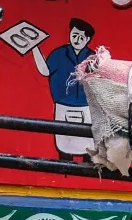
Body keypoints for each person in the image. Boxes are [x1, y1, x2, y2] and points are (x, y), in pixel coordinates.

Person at [30, 17, 97, 161]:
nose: (77, 40)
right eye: (74, 35)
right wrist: (34, 48)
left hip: (87, 107)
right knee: (64, 145)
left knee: (88, 146)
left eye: (81, 37)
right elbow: (45, 70)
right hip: (62, 106)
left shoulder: (93, 58)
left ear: (87, 39)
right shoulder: (58, 54)